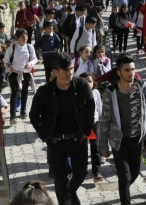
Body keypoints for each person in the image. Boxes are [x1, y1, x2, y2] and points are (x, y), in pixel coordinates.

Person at [29, 53, 94, 205]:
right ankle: (63, 201)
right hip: (56, 142)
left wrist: (86, 131)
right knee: (60, 178)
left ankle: (71, 190)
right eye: (65, 70)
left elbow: (91, 107)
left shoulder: (82, 85)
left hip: (78, 139)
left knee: (81, 173)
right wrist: (46, 135)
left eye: (71, 68)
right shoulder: (45, 91)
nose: (70, 73)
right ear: (55, 72)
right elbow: (33, 115)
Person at [99, 56, 146, 204]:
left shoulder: (142, 87)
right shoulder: (111, 93)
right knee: (124, 176)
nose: (131, 73)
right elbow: (105, 120)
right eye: (127, 70)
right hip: (119, 141)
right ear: (119, 73)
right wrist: (103, 146)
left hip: (137, 139)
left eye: (133, 69)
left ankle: (124, 191)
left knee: (135, 172)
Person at [4, 29, 38, 124]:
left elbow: (35, 58)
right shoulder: (12, 48)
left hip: (26, 73)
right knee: (15, 93)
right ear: (17, 38)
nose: (25, 38)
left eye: (26, 36)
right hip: (14, 73)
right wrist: (10, 67)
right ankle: (12, 116)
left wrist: (30, 63)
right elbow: (6, 61)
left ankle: (23, 111)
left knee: (25, 92)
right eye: (22, 37)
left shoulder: (29, 47)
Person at [79, 72, 103, 182]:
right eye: (85, 81)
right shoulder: (78, 94)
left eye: (90, 81)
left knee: (95, 147)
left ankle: (96, 172)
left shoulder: (96, 93)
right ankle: (82, 169)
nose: (88, 84)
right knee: (82, 147)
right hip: (82, 125)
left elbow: (99, 108)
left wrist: (100, 118)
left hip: (94, 124)